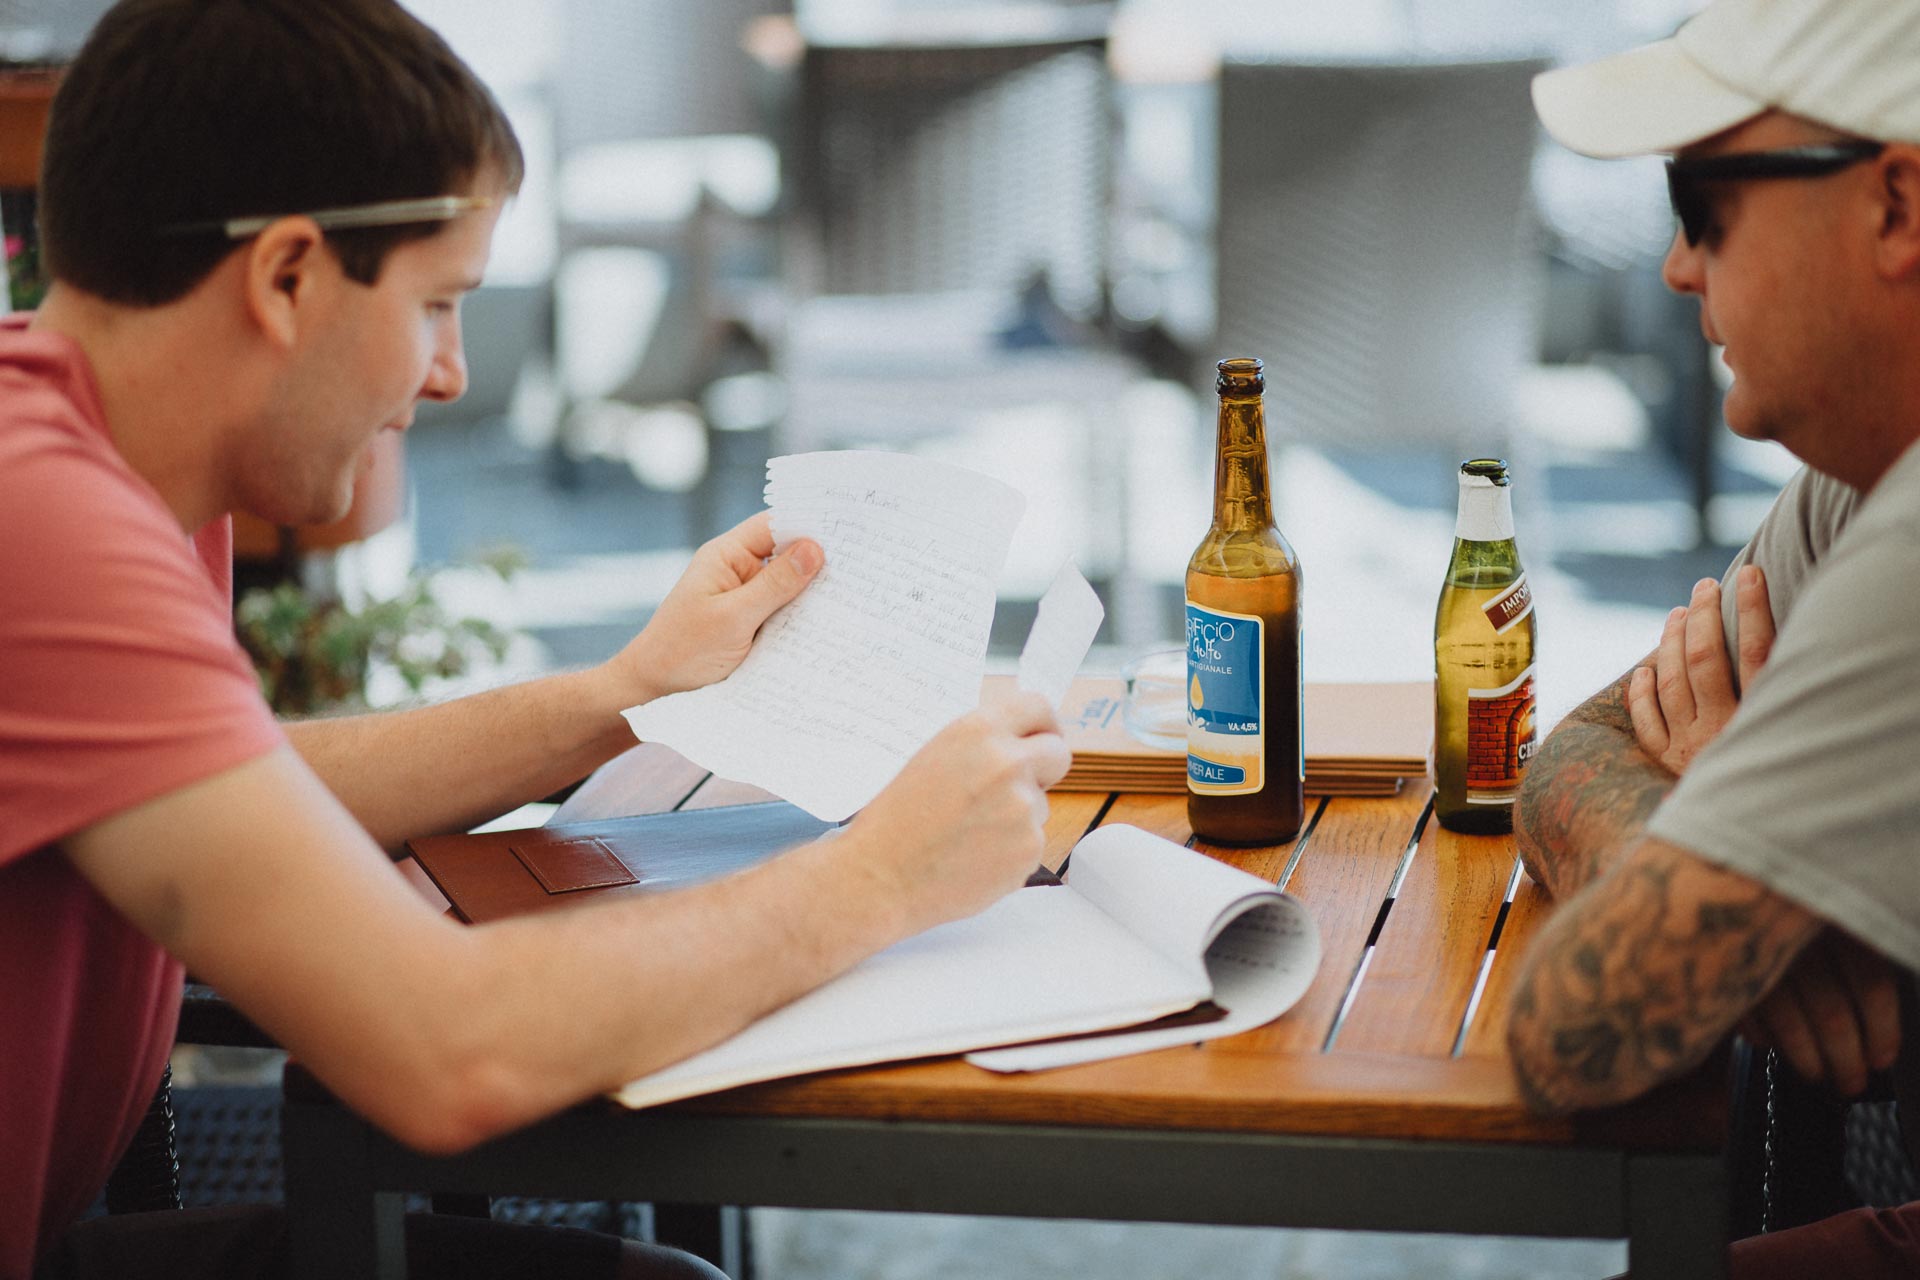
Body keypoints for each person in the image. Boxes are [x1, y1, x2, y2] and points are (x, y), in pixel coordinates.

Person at [0, 2, 1070, 1277]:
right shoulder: (44, 525)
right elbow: (451, 1050)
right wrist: (885, 877)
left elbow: (247, 790)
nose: (448, 374)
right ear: (286, 277)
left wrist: (635, 692)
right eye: (438, 303)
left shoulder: (97, 464)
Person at [1508, 0, 1920, 1271]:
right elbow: (1571, 743)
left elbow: (1569, 1029)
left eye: (1702, 197)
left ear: (1898, 207)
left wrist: (1720, 871)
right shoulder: (1861, 475)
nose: (1679, 265)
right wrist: (1736, 880)